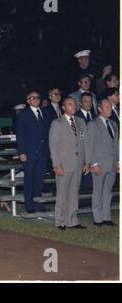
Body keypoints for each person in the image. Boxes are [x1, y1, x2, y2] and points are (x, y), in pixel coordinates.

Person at [49, 97, 90, 230]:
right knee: (62, 193)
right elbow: (53, 146)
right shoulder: (57, 123)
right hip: (64, 164)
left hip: (78, 163)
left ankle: (72, 220)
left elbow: (85, 143)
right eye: (69, 104)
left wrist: (87, 162)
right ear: (64, 107)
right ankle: (60, 221)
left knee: (74, 193)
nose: (73, 106)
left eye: (74, 104)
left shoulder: (80, 121)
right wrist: (56, 164)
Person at [88, 99, 119, 227]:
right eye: (107, 107)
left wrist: (118, 161)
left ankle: (106, 217)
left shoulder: (114, 124)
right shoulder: (93, 124)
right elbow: (89, 146)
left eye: (110, 107)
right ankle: (97, 219)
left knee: (108, 191)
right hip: (99, 164)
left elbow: (116, 145)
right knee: (98, 191)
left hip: (111, 164)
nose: (110, 109)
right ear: (99, 109)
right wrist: (94, 164)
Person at [16, 91, 48, 213]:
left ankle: (38, 203)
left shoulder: (43, 113)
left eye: (38, 97)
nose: (36, 99)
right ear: (28, 101)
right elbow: (20, 134)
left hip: (42, 152)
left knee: (39, 180)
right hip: (29, 153)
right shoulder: (24, 114)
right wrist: (22, 152)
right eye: (33, 98)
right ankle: (29, 205)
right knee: (29, 179)